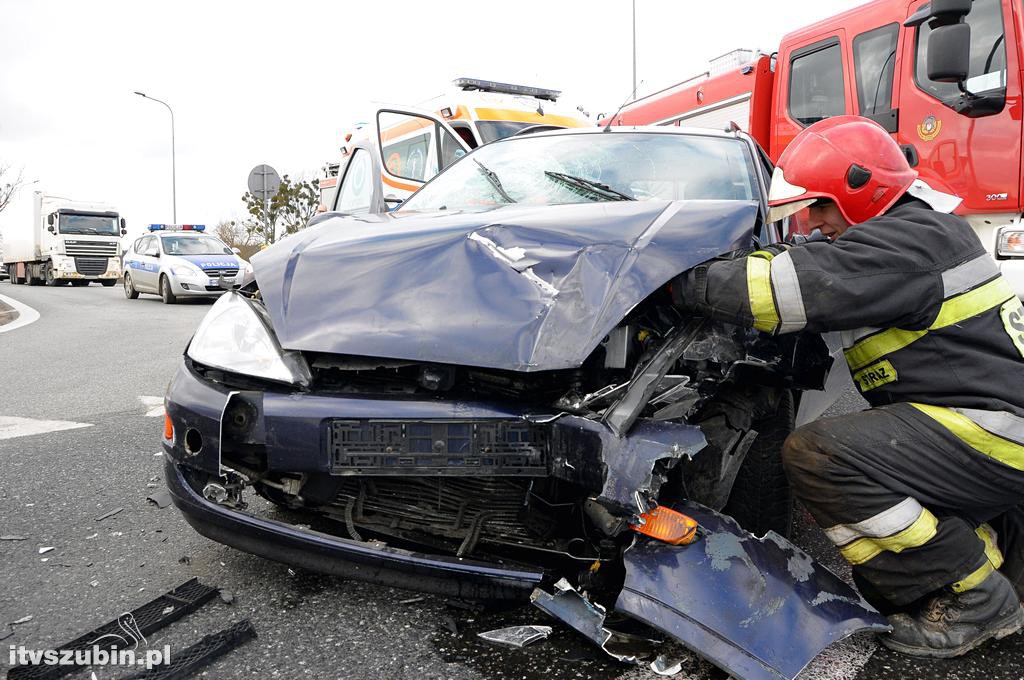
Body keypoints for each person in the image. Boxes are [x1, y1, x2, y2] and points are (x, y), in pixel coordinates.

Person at [676, 115, 1024, 658]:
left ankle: (978, 598)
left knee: (821, 455)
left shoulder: (905, 246)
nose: (812, 222)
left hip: (994, 434)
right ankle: (986, 575)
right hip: (998, 428)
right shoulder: (924, 231)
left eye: (819, 204)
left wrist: (669, 271)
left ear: (861, 190)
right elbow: (814, 261)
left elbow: (773, 290)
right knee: (884, 582)